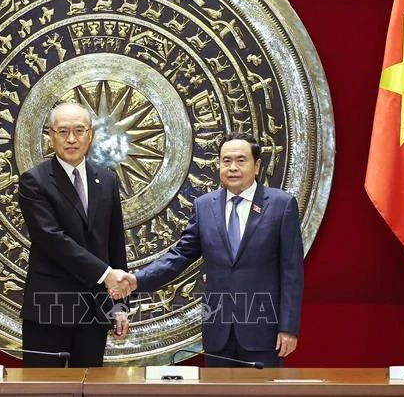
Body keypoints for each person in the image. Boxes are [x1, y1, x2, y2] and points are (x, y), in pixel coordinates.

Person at [124, 133, 304, 367]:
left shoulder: (281, 205)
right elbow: (180, 255)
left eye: (241, 160)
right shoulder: (204, 206)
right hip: (218, 331)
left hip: (264, 332)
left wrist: (288, 328)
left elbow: (292, 273)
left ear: (257, 165)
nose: (233, 168)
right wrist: (137, 281)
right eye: (226, 161)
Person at [18, 102, 131, 367]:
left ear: (90, 135)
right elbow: (52, 239)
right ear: (51, 135)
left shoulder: (107, 179)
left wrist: (120, 306)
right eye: (63, 131)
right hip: (49, 311)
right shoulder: (34, 181)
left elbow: (115, 244)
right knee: (43, 391)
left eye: (79, 131)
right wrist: (106, 275)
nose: (72, 139)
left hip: (94, 311)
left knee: (90, 388)